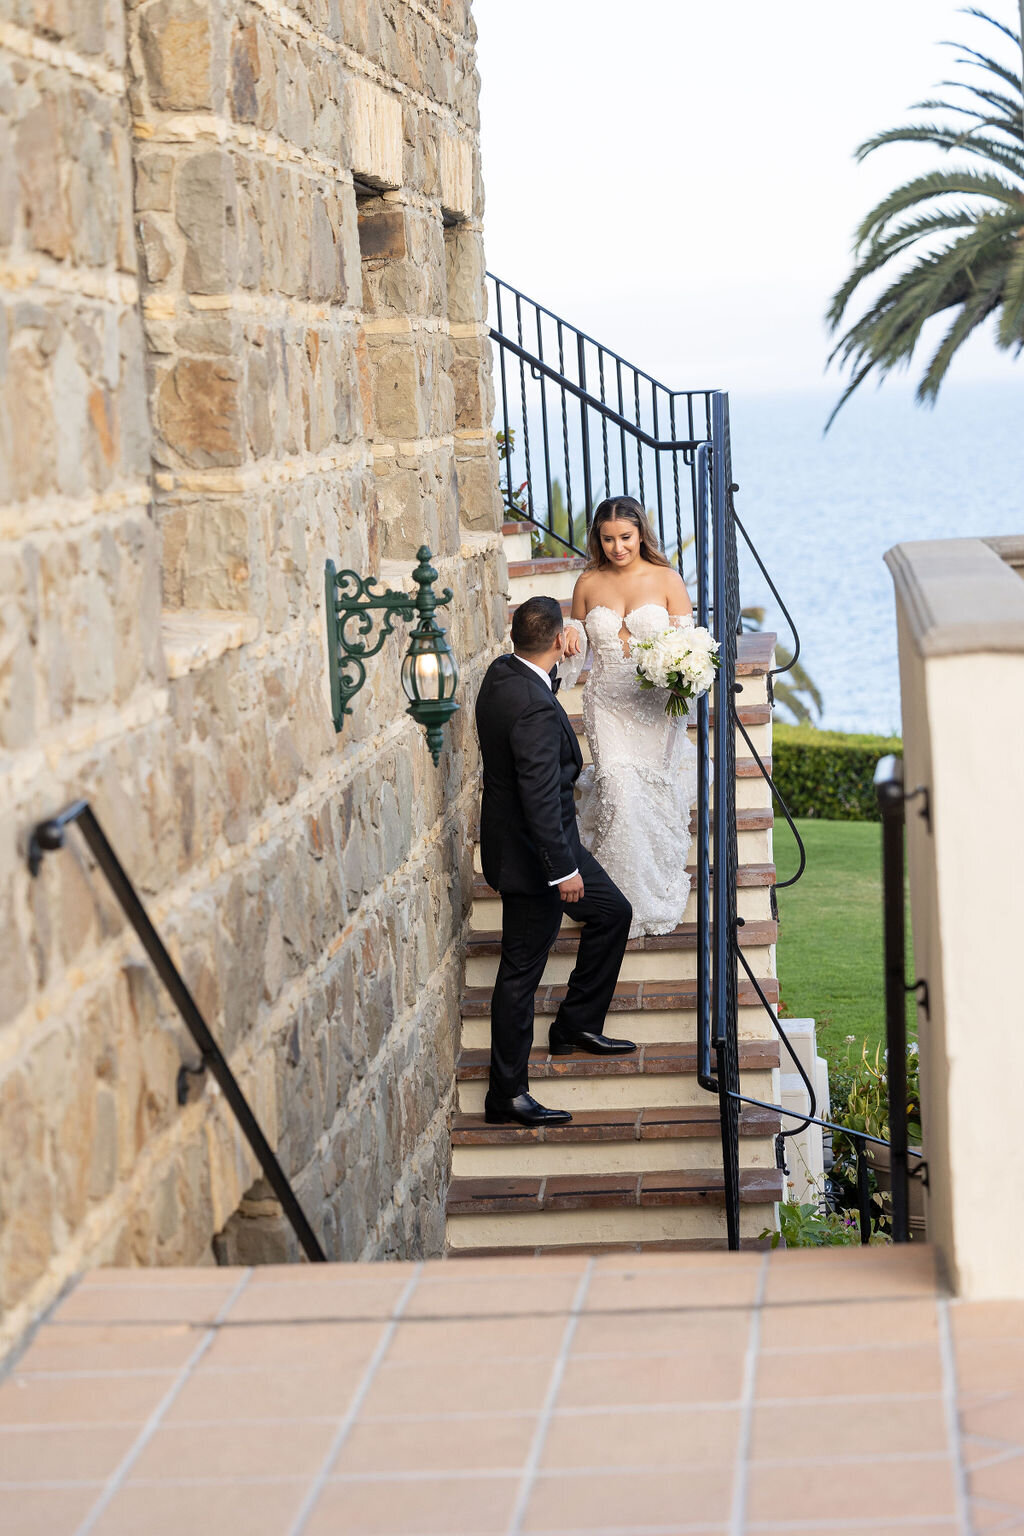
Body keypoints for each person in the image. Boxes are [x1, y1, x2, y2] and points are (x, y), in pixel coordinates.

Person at [475, 595, 636, 1129]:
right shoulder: (534, 708)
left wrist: (559, 667)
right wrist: (561, 870)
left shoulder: (503, 674)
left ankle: (575, 1025)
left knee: (612, 912)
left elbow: (535, 694)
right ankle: (507, 1094)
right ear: (557, 635)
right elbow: (541, 795)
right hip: (537, 860)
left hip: (539, 846)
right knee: (520, 974)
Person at [560, 495, 699, 938]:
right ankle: (618, 896)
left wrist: (681, 678)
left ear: (640, 534)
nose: (618, 547)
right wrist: (566, 639)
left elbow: (689, 648)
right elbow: (575, 645)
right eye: (608, 539)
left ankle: (652, 885)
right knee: (617, 788)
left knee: (647, 791)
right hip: (606, 701)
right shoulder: (587, 583)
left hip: (655, 704)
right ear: (598, 540)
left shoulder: (667, 579)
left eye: (625, 537)